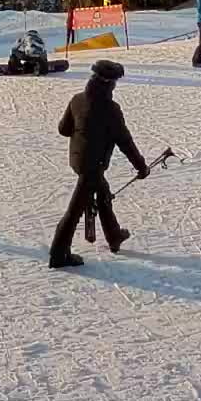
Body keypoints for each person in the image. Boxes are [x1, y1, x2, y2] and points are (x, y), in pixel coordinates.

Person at [50, 60, 149, 268]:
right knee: (74, 211)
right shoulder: (111, 109)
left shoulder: (77, 100)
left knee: (103, 194)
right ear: (109, 84)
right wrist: (141, 166)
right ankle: (58, 255)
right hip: (92, 167)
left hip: (78, 160)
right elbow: (125, 142)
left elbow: (63, 129)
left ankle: (114, 236)